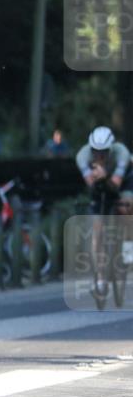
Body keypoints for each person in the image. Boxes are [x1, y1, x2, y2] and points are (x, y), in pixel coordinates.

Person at [75, 126, 133, 294]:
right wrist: (98, 178)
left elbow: (115, 186)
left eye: (104, 152)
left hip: (123, 181)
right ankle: (100, 278)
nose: (99, 155)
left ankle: (129, 249)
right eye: (95, 151)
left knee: (126, 208)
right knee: (97, 231)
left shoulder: (121, 152)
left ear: (111, 148)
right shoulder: (82, 157)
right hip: (100, 185)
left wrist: (106, 176)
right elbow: (93, 188)